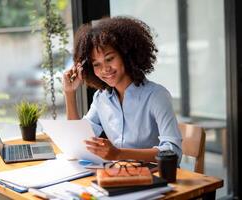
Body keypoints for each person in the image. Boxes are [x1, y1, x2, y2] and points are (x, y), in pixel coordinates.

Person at [62, 16, 182, 163]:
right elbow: (77, 141)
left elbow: (173, 152)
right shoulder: (101, 98)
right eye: (96, 64)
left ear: (126, 55)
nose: (105, 69)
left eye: (109, 59)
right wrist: (69, 92)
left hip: (153, 178)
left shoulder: (156, 96)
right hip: (118, 174)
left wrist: (119, 154)